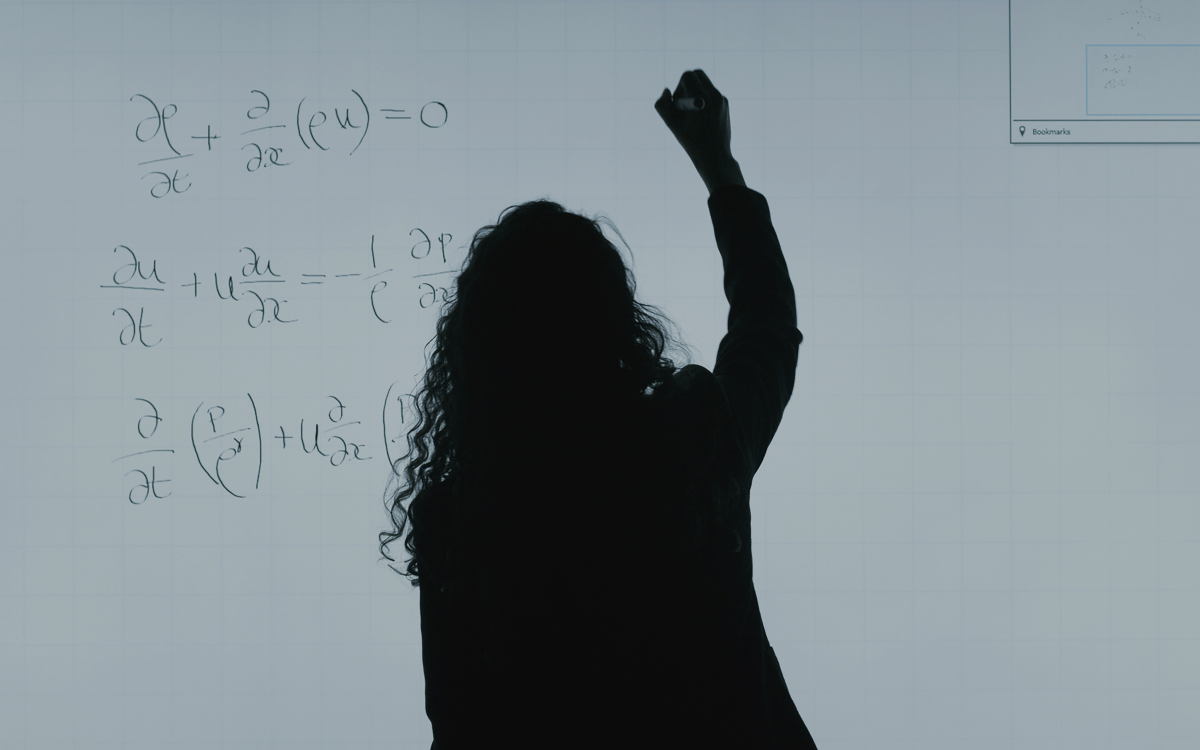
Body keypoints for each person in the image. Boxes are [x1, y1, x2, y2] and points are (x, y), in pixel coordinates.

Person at [380, 70, 815, 749]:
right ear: (618, 325)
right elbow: (766, 329)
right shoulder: (692, 445)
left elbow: (460, 728)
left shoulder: (459, 519)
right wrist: (718, 166)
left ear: (477, 350)